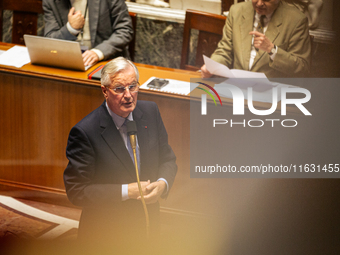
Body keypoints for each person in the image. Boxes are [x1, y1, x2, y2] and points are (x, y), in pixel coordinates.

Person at [63, 57, 177, 249]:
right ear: (104, 91)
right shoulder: (85, 132)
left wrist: (163, 184)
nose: (128, 95)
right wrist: (126, 192)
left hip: (148, 228)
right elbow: (77, 191)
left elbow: (168, 158)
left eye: (133, 87)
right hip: (106, 234)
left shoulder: (150, 111)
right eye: (119, 89)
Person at [201, 0, 311, 78]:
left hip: (272, 92)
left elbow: (302, 67)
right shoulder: (237, 11)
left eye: (266, 0)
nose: (259, 3)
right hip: (237, 87)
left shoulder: (296, 20)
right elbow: (224, 51)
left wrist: (272, 50)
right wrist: (211, 66)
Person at [42, 0, 133, 66]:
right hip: (69, 62)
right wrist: (71, 29)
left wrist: (98, 53)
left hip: (108, 62)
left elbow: (124, 31)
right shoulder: (50, 2)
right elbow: (50, 41)